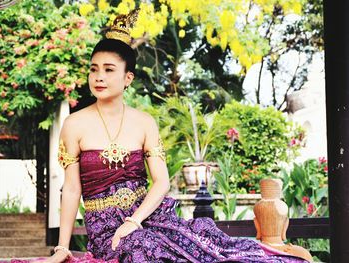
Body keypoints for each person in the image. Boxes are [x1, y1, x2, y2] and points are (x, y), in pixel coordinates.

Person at [31, 10, 308, 263]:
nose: (99, 77)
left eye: (109, 70)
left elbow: (161, 182)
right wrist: (62, 249)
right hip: (106, 229)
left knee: (206, 247)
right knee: (140, 247)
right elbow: (71, 189)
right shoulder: (74, 124)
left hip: (147, 217)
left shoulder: (144, 123)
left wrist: (134, 221)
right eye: (94, 69)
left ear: (128, 78)